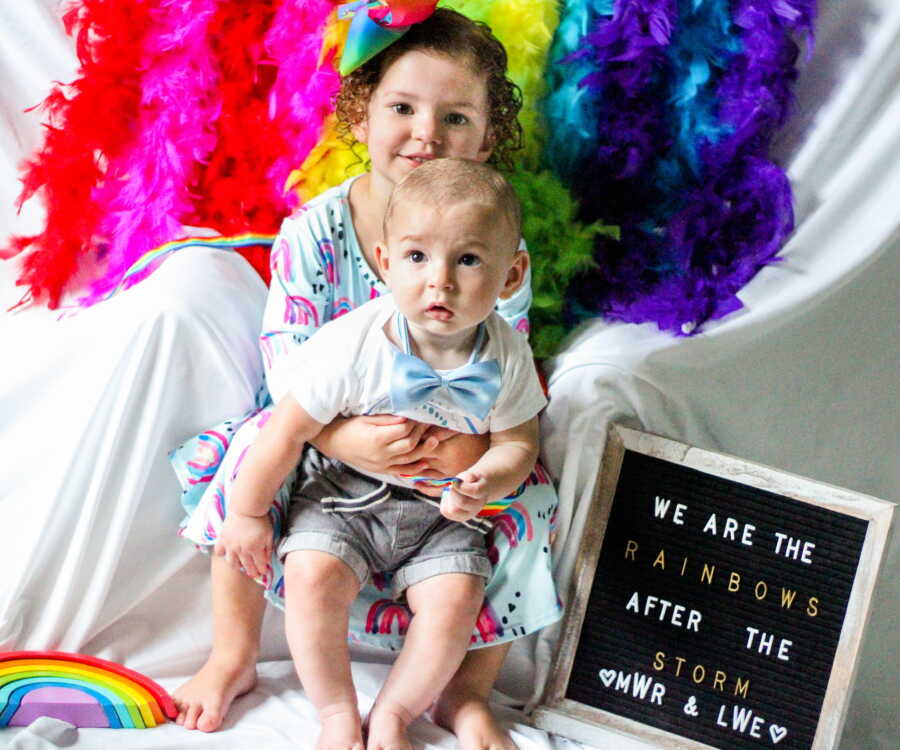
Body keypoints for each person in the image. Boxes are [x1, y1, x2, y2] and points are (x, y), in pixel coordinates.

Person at [172, 8, 562, 748]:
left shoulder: (494, 240)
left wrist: (459, 453)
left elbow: (502, 359)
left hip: (450, 443)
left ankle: (466, 692)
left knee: (531, 491)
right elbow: (289, 362)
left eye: (455, 117)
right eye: (403, 109)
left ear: (487, 135)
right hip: (323, 429)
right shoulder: (317, 229)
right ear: (361, 112)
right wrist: (349, 439)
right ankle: (233, 653)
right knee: (255, 448)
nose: (427, 133)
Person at [222, 157, 545, 750]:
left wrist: (487, 479)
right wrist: (246, 513)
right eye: (418, 258)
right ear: (387, 261)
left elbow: (519, 443)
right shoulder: (355, 343)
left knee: (456, 599)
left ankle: (397, 712)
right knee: (311, 574)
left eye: (467, 259)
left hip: (442, 515)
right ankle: (336, 712)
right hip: (343, 496)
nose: (439, 281)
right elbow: (286, 430)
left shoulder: (505, 356)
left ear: (509, 274)